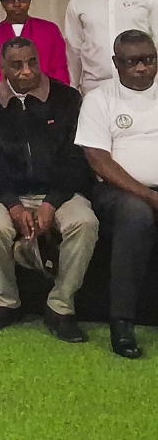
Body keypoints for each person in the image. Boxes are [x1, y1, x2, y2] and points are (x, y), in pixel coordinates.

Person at [0, 37, 96, 342]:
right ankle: (6, 302)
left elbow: (76, 158)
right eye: (17, 65)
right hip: (9, 194)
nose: (27, 71)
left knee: (85, 222)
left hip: (60, 192)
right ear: (1, 68)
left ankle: (61, 306)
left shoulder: (67, 99)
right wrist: (13, 205)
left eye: (32, 63)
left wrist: (51, 203)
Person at [74, 29, 158, 359]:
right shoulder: (100, 98)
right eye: (132, 62)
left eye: (148, 60)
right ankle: (122, 322)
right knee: (136, 215)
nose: (141, 68)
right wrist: (149, 197)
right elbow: (98, 159)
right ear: (115, 63)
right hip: (117, 192)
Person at [65, 0, 158, 94]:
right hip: (95, 89)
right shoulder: (78, 2)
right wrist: (73, 88)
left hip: (143, 87)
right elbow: (73, 50)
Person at [0, 0, 69, 86]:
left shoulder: (49, 30)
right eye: (11, 0)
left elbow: (59, 69)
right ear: (2, 3)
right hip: (4, 97)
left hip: (44, 95)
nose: (17, 4)